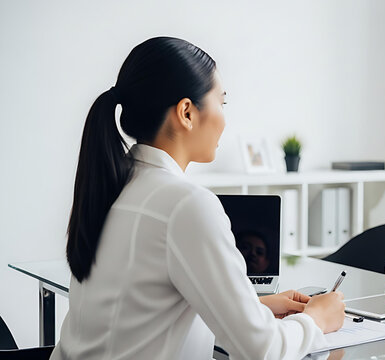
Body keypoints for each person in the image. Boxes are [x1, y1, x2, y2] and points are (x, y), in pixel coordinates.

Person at [51, 37, 345, 360]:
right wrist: (316, 319)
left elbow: (142, 311)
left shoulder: (116, 184)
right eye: (222, 103)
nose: (225, 118)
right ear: (187, 113)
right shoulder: (185, 205)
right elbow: (262, 350)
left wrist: (254, 308)